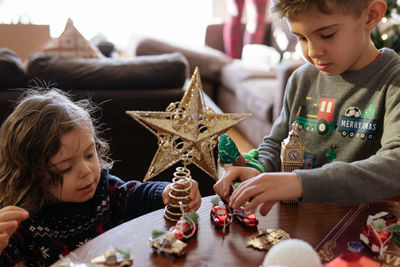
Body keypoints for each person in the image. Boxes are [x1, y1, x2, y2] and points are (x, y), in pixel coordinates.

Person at [214, 0, 400, 216]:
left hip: (362, 231)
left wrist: (299, 183)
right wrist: (257, 169)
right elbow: (276, 144)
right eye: (301, 38)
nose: (312, 52)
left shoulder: (393, 81)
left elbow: (395, 165)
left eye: (327, 35)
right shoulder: (302, 79)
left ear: (371, 16)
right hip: (297, 224)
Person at [0, 89, 201, 265]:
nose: (86, 171)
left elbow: (135, 194)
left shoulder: (103, 189)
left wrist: (167, 192)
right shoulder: (20, 221)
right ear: (29, 175)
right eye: (66, 167)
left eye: (89, 154)